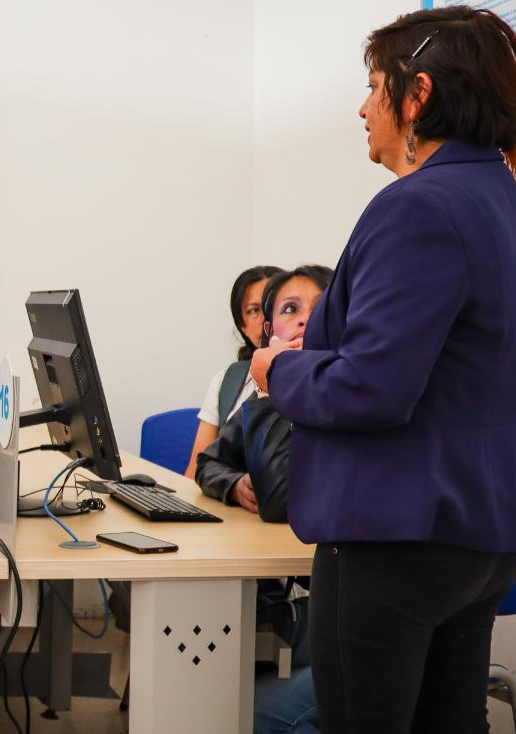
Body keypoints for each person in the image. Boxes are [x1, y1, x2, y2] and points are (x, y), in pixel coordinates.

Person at [252, 6, 516, 733]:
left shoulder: (417, 207)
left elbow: (370, 388)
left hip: (398, 533)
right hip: (484, 528)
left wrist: (277, 373)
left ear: (416, 96)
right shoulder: (504, 203)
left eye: (373, 87)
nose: (362, 107)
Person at [197, 265, 335, 734]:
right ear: (267, 330)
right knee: (215, 685)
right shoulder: (269, 394)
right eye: (290, 310)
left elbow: (277, 500)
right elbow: (208, 463)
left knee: (234, 712)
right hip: (308, 601)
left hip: (338, 609)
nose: (302, 321)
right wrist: (234, 485)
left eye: (317, 310)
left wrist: (276, 382)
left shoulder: (337, 394)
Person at [184, 265, 286, 478]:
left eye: (275, 305)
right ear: (243, 327)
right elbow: (195, 472)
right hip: (223, 505)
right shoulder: (226, 380)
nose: (266, 317)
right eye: (254, 310)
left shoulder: (315, 380)